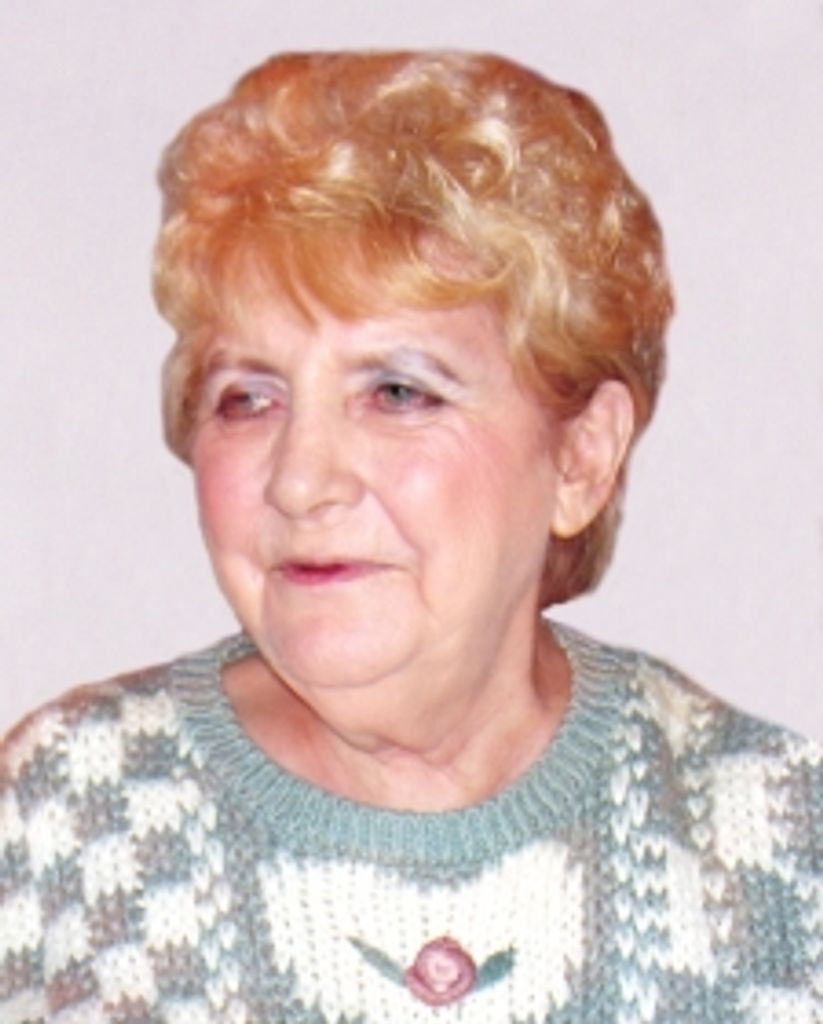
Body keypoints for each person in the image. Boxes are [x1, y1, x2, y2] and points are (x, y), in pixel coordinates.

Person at [0, 51, 819, 1024]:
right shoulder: (64, 812)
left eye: (397, 391)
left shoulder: (775, 843)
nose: (300, 479)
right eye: (247, 398)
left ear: (579, 457)